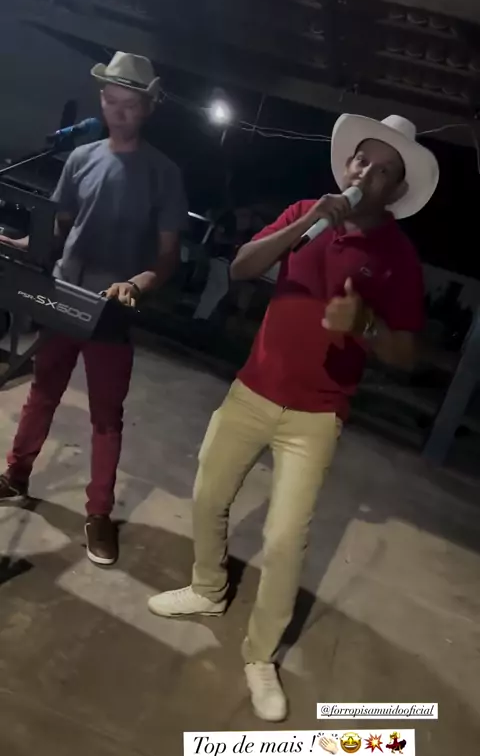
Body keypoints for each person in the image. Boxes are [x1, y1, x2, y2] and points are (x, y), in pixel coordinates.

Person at [147, 114, 439, 722]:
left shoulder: (398, 257)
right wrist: (306, 223)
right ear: (348, 164)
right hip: (252, 389)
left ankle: (260, 655)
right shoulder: (306, 211)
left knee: (283, 540)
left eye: (384, 170)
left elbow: (409, 355)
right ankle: (207, 589)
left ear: (395, 189)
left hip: (317, 415)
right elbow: (241, 268)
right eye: (362, 160)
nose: (367, 173)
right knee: (207, 495)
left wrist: (365, 324)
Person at [0, 51, 188, 565]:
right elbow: (61, 230)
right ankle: (16, 475)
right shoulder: (80, 158)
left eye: (130, 104)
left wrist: (140, 283)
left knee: (106, 416)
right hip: (63, 295)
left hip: (110, 309)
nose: (118, 112)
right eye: (111, 100)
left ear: (148, 107)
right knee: (42, 392)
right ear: (101, 99)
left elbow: (168, 255)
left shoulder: (164, 173)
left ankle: (99, 513)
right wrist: (22, 244)